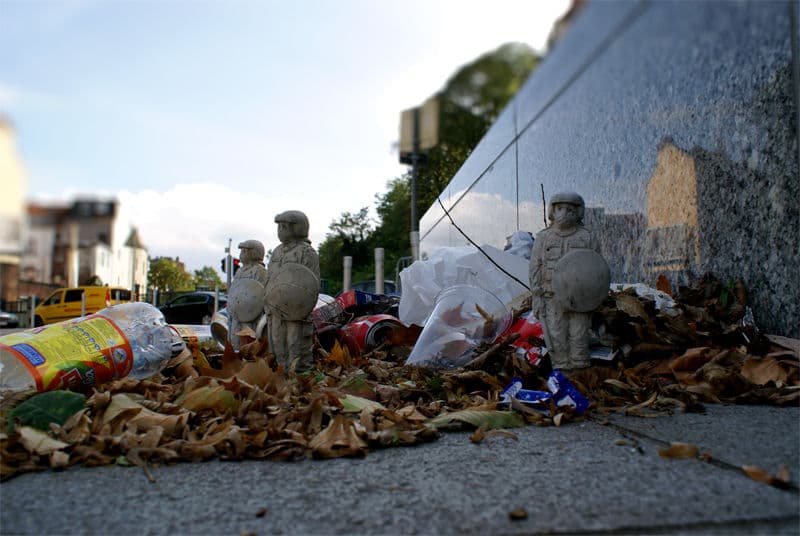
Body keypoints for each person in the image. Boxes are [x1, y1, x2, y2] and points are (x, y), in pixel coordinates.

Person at [529, 192, 601, 371]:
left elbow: (597, 268)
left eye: (570, 209)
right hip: (551, 296)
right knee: (556, 334)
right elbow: (535, 268)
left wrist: (595, 298)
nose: (564, 213)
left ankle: (580, 370)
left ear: (578, 212)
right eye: (560, 208)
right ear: (552, 211)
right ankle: (561, 369)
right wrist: (537, 296)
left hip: (580, 297)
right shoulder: (544, 237)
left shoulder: (587, 237)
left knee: (579, 334)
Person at [264, 210, 320, 372]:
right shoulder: (277, 251)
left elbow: (312, 283)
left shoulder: (306, 252)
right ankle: (281, 370)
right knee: (277, 339)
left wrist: (303, 307)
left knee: (294, 340)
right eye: (279, 227)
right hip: (275, 304)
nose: (280, 230)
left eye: (284, 226)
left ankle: (298, 373)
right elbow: (270, 277)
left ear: (297, 228)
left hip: (297, 307)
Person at [227, 239, 268, 349]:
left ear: (254, 253)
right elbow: (235, 291)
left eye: (244, 251)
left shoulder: (260, 271)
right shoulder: (240, 271)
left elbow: (260, 294)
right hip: (237, 312)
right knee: (235, 338)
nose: (241, 254)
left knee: (249, 339)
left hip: (252, 314)